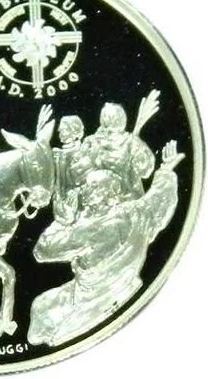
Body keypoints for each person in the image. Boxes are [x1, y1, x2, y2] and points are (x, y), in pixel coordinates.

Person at [27, 140, 183, 347]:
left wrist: (63, 221)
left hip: (95, 299)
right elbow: (159, 198)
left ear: (105, 194)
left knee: (48, 328)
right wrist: (165, 170)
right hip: (123, 285)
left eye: (91, 186)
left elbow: (42, 251)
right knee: (41, 306)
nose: (83, 189)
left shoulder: (91, 230)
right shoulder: (136, 211)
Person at [52, 115, 88, 224]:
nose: (59, 131)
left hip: (79, 206)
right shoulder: (57, 154)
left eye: (64, 129)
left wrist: (77, 192)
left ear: (74, 131)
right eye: (60, 129)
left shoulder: (82, 153)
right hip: (60, 203)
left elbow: (90, 181)